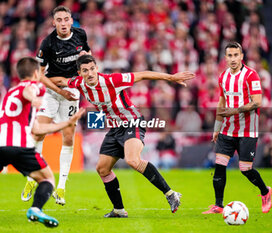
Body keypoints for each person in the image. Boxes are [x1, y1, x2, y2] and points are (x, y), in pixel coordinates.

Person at [0, 57, 85, 233]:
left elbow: (37, 128)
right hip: (18, 145)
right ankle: (36, 209)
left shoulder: (9, 93)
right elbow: (28, 90)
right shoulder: (35, 87)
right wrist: (35, 99)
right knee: (47, 179)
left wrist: (66, 123)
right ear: (37, 73)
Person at [58, 54, 195, 217]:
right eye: (85, 70)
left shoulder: (112, 80)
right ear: (79, 73)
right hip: (115, 128)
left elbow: (143, 74)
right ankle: (119, 210)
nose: (90, 73)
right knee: (102, 169)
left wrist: (171, 77)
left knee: (132, 160)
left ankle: (171, 194)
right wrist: (42, 79)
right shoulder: (79, 83)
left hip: (132, 122)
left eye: (92, 69)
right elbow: (60, 80)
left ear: (97, 68)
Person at [21, 5, 91, 205]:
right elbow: (39, 75)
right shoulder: (47, 44)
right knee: (38, 133)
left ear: (71, 21)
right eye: (58, 20)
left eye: (65, 19)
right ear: (54, 22)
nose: (62, 23)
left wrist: (84, 75)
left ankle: (61, 187)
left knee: (68, 137)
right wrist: (61, 91)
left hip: (72, 90)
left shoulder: (80, 35)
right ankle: (31, 179)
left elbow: (87, 55)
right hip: (52, 91)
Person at [202, 42, 272, 214]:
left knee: (245, 169)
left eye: (236, 55)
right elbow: (221, 102)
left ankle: (265, 192)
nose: (233, 59)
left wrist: (236, 110)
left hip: (247, 130)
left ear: (241, 56)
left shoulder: (251, 75)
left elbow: (257, 102)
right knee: (219, 164)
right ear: (225, 58)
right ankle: (219, 205)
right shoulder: (223, 77)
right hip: (227, 130)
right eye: (229, 55)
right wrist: (217, 127)